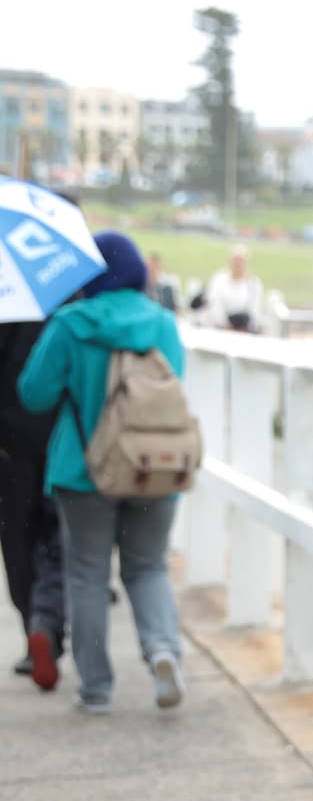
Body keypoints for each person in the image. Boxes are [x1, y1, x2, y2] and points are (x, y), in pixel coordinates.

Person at [18, 231, 187, 714]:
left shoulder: (71, 323)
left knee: (88, 575)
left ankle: (95, 689)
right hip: (154, 464)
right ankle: (161, 650)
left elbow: (34, 394)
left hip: (83, 469)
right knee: (148, 566)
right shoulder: (162, 322)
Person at [0, 316, 66, 689]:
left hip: (10, 442)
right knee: (58, 534)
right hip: (61, 434)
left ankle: (33, 630)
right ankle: (50, 621)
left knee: (17, 538)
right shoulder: (66, 292)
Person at [201, 245, 263, 332]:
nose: (237, 264)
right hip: (219, 327)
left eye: (241, 261)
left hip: (243, 329)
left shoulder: (253, 284)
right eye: (235, 260)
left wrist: (247, 326)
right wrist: (225, 324)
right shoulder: (219, 279)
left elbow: (255, 309)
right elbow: (214, 303)